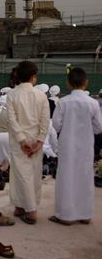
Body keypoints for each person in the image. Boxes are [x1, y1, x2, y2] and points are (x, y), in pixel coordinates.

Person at [50, 68, 102, 225]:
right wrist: (86, 130)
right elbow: (99, 127)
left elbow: (56, 125)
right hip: (86, 146)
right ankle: (85, 214)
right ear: (86, 83)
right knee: (85, 178)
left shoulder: (63, 102)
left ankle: (65, 215)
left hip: (67, 145)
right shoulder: (93, 103)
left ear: (68, 83)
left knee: (66, 178)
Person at [6, 60, 50, 225]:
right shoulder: (41, 95)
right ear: (33, 77)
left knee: (20, 174)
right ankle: (20, 206)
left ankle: (30, 210)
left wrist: (22, 140)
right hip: (35, 139)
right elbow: (45, 120)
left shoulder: (12, 94)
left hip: (20, 140)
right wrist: (39, 141)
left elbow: (12, 120)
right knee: (32, 173)